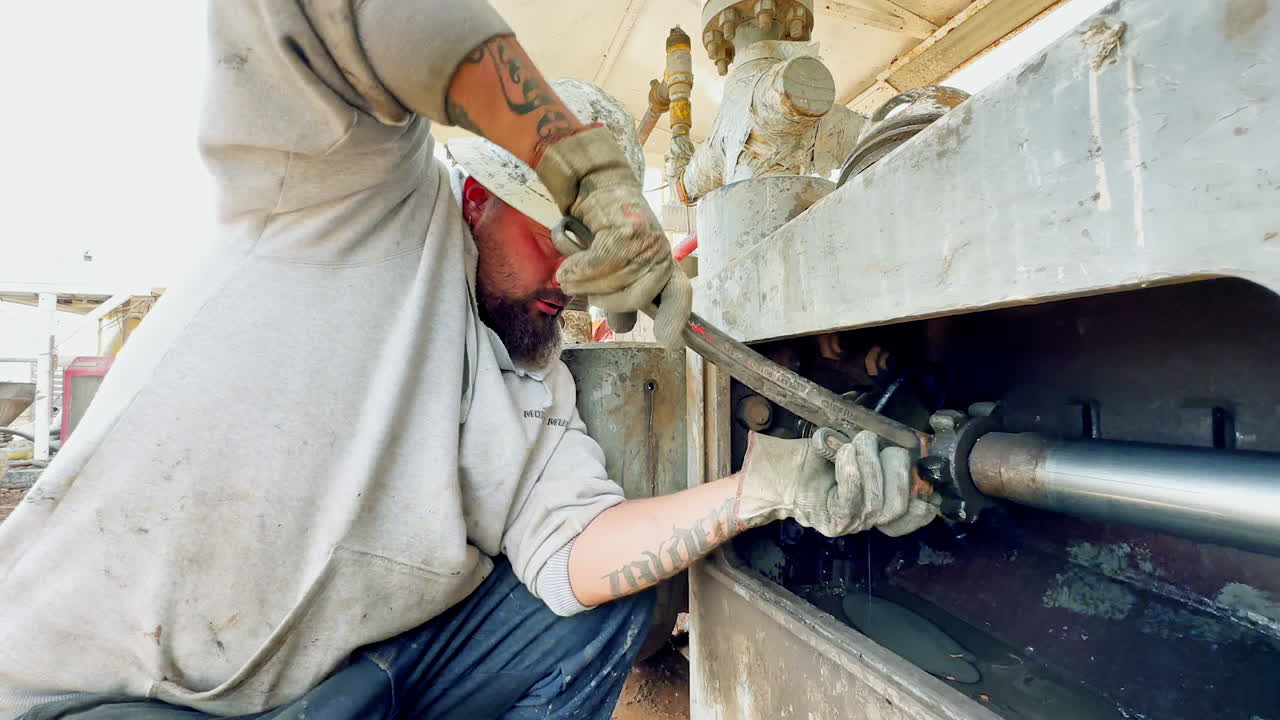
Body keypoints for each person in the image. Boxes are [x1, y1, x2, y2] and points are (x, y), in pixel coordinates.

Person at [0, 3, 938, 718]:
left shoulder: (535, 375)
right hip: (111, 692)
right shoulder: (352, 193)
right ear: (483, 193)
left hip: (337, 685)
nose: (573, 280)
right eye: (557, 236)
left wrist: (759, 490)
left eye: (594, 249)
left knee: (607, 613)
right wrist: (584, 164)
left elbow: (575, 558)